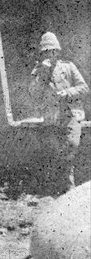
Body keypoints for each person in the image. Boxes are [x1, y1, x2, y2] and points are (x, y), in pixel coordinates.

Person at [29, 31, 89, 191]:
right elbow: (34, 93)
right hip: (51, 117)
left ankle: (69, 188)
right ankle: (62, 188)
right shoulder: (38, 71)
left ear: (57, 51)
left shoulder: (68, 67)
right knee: (54, 152)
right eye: (46, 52)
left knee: (71, 145)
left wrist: (67, 93)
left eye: (53, 50)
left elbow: (84, 88)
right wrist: (43, 74)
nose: (50, 54)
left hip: (71, 115)